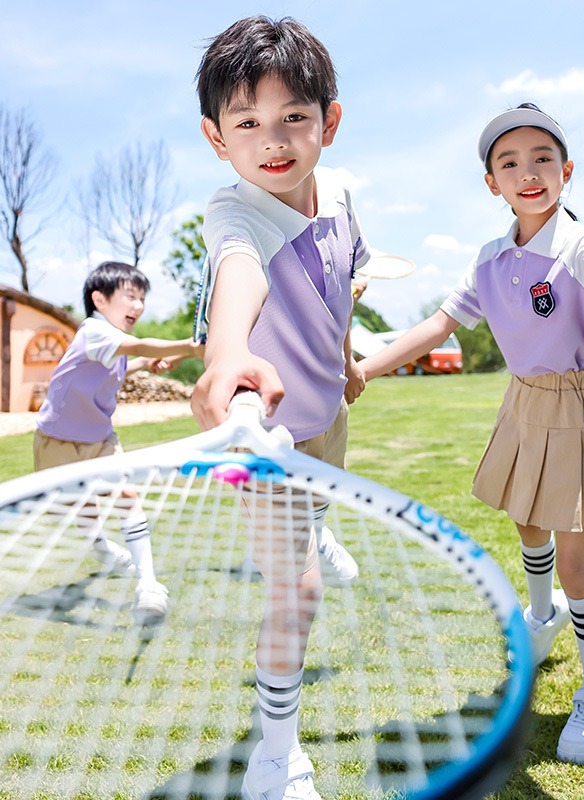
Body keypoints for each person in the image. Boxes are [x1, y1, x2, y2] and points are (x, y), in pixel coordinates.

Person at [355, 104, 584, 765]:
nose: (527, 173)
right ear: (490, 182)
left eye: (542, 159)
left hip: (580, 405)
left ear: (567, 172)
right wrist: (365, 368)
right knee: (529, 525)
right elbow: (438, 326)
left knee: (577, 561)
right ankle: (541, 614)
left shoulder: (579, 244)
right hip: (524, 404)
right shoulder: (489, 259)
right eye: (510, 163)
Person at [192, 16, 370, 800]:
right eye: (247, 122)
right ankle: (277, 755)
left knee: (318, 509)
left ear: (329, 121)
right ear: (215, 137)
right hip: (265, 438)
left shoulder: (341, 194)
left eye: (294, 117)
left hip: (327, 415)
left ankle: (317, 532)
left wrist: (342, 360)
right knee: (293, 590)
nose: (273, 140)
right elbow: (239, 275)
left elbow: (340, 285)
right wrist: (228, 353)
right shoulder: (236, 216)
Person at [34, 261, 204, 623]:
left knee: (127, 497)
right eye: (130, 296)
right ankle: (103, 550)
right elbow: (138, 345)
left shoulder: (108, 341)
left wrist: (152, 364)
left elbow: (128, 359)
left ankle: (149, 584)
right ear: (99, 299)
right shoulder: (94, 331)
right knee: (82, 515)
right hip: (56, 442)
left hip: (100, 440)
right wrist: (190, 348)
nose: (138, 306)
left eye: (142, 298)